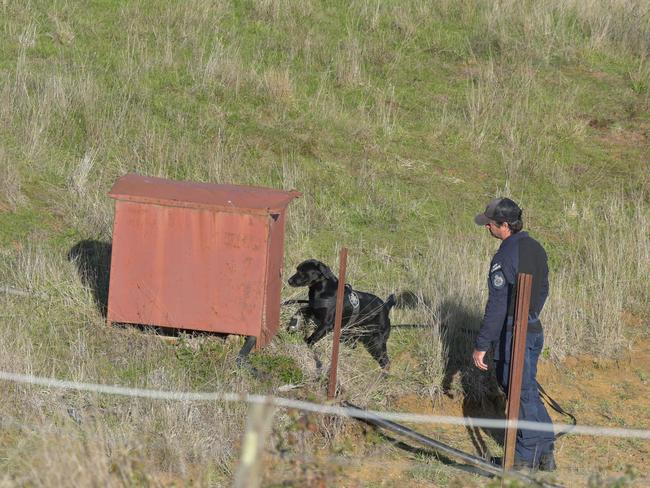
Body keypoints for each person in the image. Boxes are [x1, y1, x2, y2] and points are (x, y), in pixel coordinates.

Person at [472, 197, 556, 471]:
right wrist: (530, 315)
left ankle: (522, 459)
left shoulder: (504, 256)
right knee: (527, 390)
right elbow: (543, 290)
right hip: (532, 328)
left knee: (519, 392)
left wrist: (482, 344)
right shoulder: (536, 248)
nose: (487, 229)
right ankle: (545, 451)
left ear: (504, 225)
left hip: (515, 332)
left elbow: (497, 305)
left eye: (491, 225)